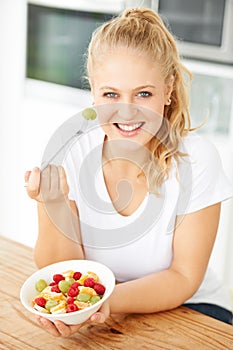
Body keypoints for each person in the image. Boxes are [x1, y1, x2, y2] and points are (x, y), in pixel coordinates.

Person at [25, 8, 233, 336]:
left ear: (168, 90)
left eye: (144, 94)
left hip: (194, 310)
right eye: (111, 94)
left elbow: (183, 277)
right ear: (93, 91)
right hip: (107, 312)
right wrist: (50, 204)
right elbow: (62, 270)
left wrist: (105, 301)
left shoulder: (197, 159)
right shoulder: (73, 150)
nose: (127, 111)